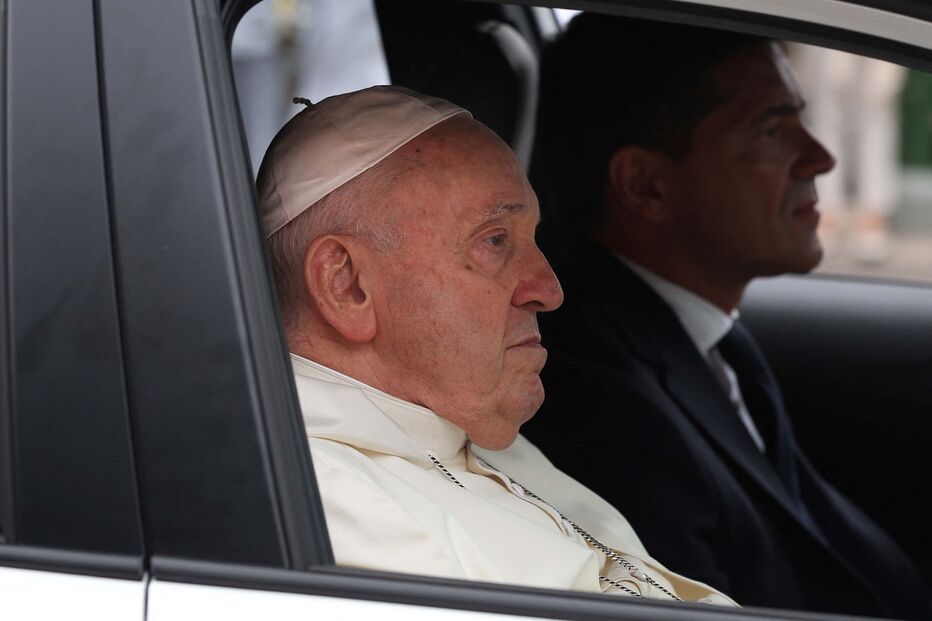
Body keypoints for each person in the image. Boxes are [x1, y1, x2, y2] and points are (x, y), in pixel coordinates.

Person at [256, 85, 735, 604]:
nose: (549, 290)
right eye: (494, 240)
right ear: (346, 285)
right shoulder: (325, 506)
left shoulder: (456, 431)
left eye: (533, 239)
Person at [522, 14, 932, 621]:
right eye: (771, 129)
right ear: (645, 185)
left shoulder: (705, 340)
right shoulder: (605, 407)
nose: (820, 158)